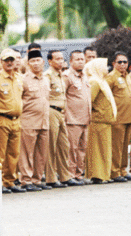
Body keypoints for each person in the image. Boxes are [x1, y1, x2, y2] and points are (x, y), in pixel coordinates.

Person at [44, 50, 82, 188]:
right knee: (51, 146)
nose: (61, 61)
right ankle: (51, 178)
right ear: (50, 61)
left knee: (64, 145)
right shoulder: (47, 76)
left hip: (61, 112)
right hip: (51, 111)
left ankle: (65, 176)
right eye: (57, 59)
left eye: (62, 58)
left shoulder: (61, 75)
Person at [0, 49, 25, 193]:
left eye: (12, 60)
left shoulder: (18, 78)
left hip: (16, 120)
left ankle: (9, 181)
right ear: (1, 62)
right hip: (2, 119)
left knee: (13, 153)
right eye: (7, 60)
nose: (10, 63)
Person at [19, 50, 51, 191]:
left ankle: (37, 179)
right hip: (28, 120)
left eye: (38, 60)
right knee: (27, 152)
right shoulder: (23, 80)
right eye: (33, 61)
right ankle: (26, 180)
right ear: (28, 63)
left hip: (44, 121)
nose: (36, 63)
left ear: (43, 62)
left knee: (41, 152)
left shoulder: (46, 79)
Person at [86, 58, 117, 184]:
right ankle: (97, 175)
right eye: (104, 66)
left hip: (105, 121)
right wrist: (98, 112)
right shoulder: (94, 82)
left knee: (104, 149)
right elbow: (89, 101)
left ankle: (104, 174)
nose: (107, 68)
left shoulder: (101, 81)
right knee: (97, 150)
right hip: (98, 121)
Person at [64, 51, 91, 184]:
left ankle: (79, 174)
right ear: (71, 62)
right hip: (72, 119)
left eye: (82, 59)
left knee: (82, 149)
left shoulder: (85, 76)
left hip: (85, 118)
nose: (81, 61)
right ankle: (70, 174)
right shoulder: (67, 76)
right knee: (71, 149)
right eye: (77, 59)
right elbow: (62, 96)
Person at [106, 51, 131, 182]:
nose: (122, 64)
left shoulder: (127, 76)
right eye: (119, 62)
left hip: (128, 116)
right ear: (113, 63)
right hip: (118, 117)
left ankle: (122, 170)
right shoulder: (111, 77)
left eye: (125, 62)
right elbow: (105, 97)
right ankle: (114, 172)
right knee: (117, 146)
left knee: (125, 145)